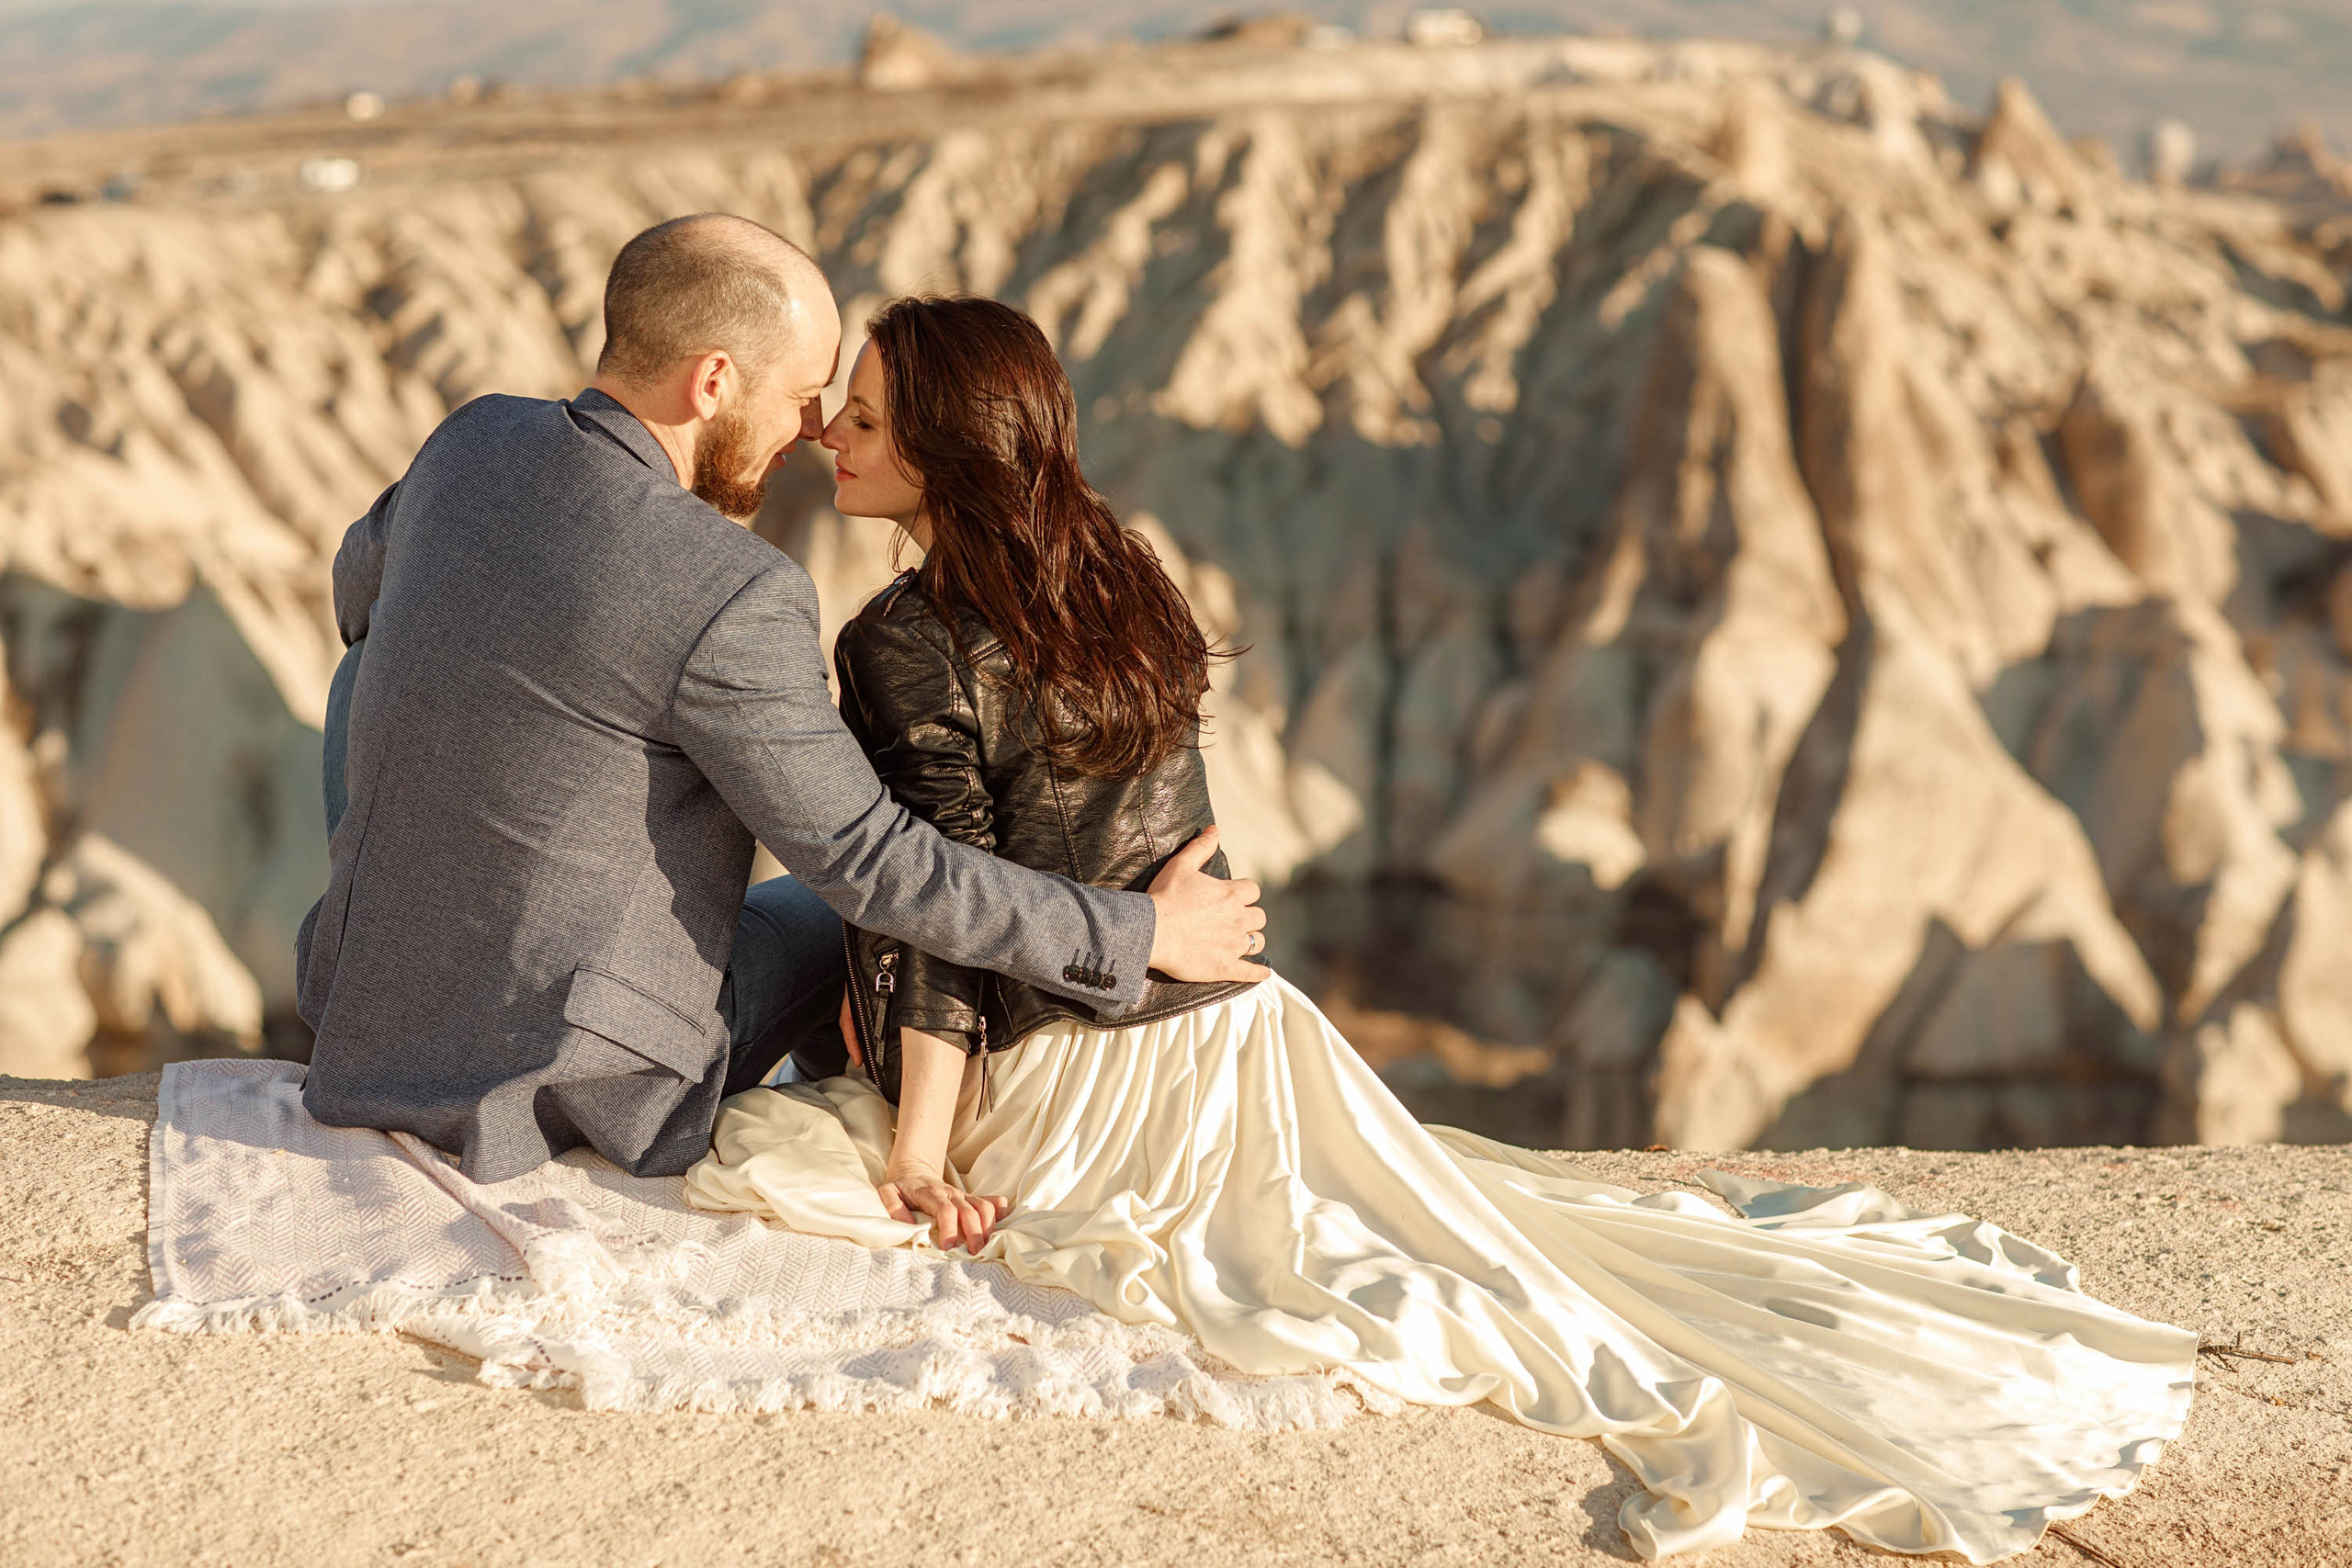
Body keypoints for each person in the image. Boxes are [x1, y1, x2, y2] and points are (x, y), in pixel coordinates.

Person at [685, 294, 2199, 1563]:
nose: (833, 436)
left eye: (868, 416)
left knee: (756, 1160)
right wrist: (1159, 938)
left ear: (953, 443)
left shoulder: (900, 637)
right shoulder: (1117, 572)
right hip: (1246, 1036)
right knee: (1504, 1259)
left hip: (1090, 1076)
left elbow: (941, 912)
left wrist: (920, 1152)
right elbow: (1171, 850)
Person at [299, 214, 1267, 1185]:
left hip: (356, 1000)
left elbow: (358, 594)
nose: (814, 430)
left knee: (365, 673)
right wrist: (1140, 934)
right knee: (843, 907)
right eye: (805, 395)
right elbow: (876, 868)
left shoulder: (473, 439)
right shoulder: (728, 589)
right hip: (566, 1074)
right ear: (713, 382)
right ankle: (898, 1128)